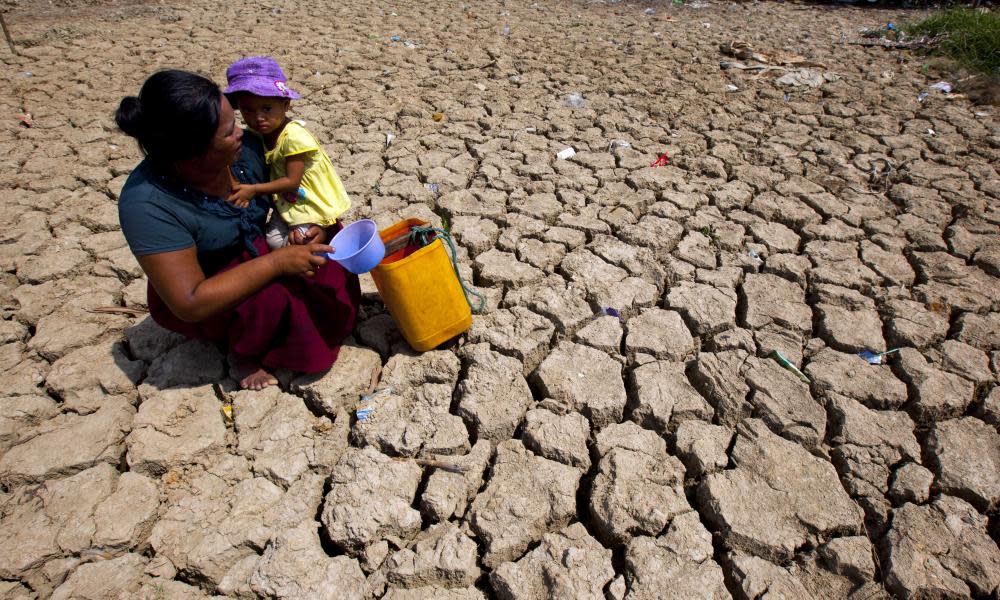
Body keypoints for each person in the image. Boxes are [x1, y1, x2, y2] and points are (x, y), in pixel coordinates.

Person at [115, 70, 360, 390]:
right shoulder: (148, 204)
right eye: (229, 131)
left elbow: (299, 196)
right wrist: (277, 263)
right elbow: (190, 301)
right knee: (269, 303)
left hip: (263, 244)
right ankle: (246, 352)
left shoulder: (249, 151)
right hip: (212, 281)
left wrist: (313, 228)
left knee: (329, 251)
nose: (241, 133)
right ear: (194, 151)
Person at [223, 56, 352, 250]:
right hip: (286, 202)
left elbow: (292, 181)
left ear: (285, 105)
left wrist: (253, 190)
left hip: (309, 202)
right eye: (248, 110)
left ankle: (323, 233)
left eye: (267, 108)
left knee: (299, 241)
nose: (258, 117)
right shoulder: (258, 135)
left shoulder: (294, 137)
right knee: (273, 241)